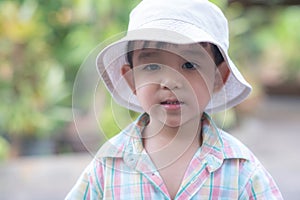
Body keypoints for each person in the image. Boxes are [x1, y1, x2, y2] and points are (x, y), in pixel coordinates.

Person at [66, 0, 283, 199]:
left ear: (218, 78)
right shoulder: (109, 165)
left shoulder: (241, 170)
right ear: (131, 79)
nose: (170, 81)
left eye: (189, 65)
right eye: (152, 66)